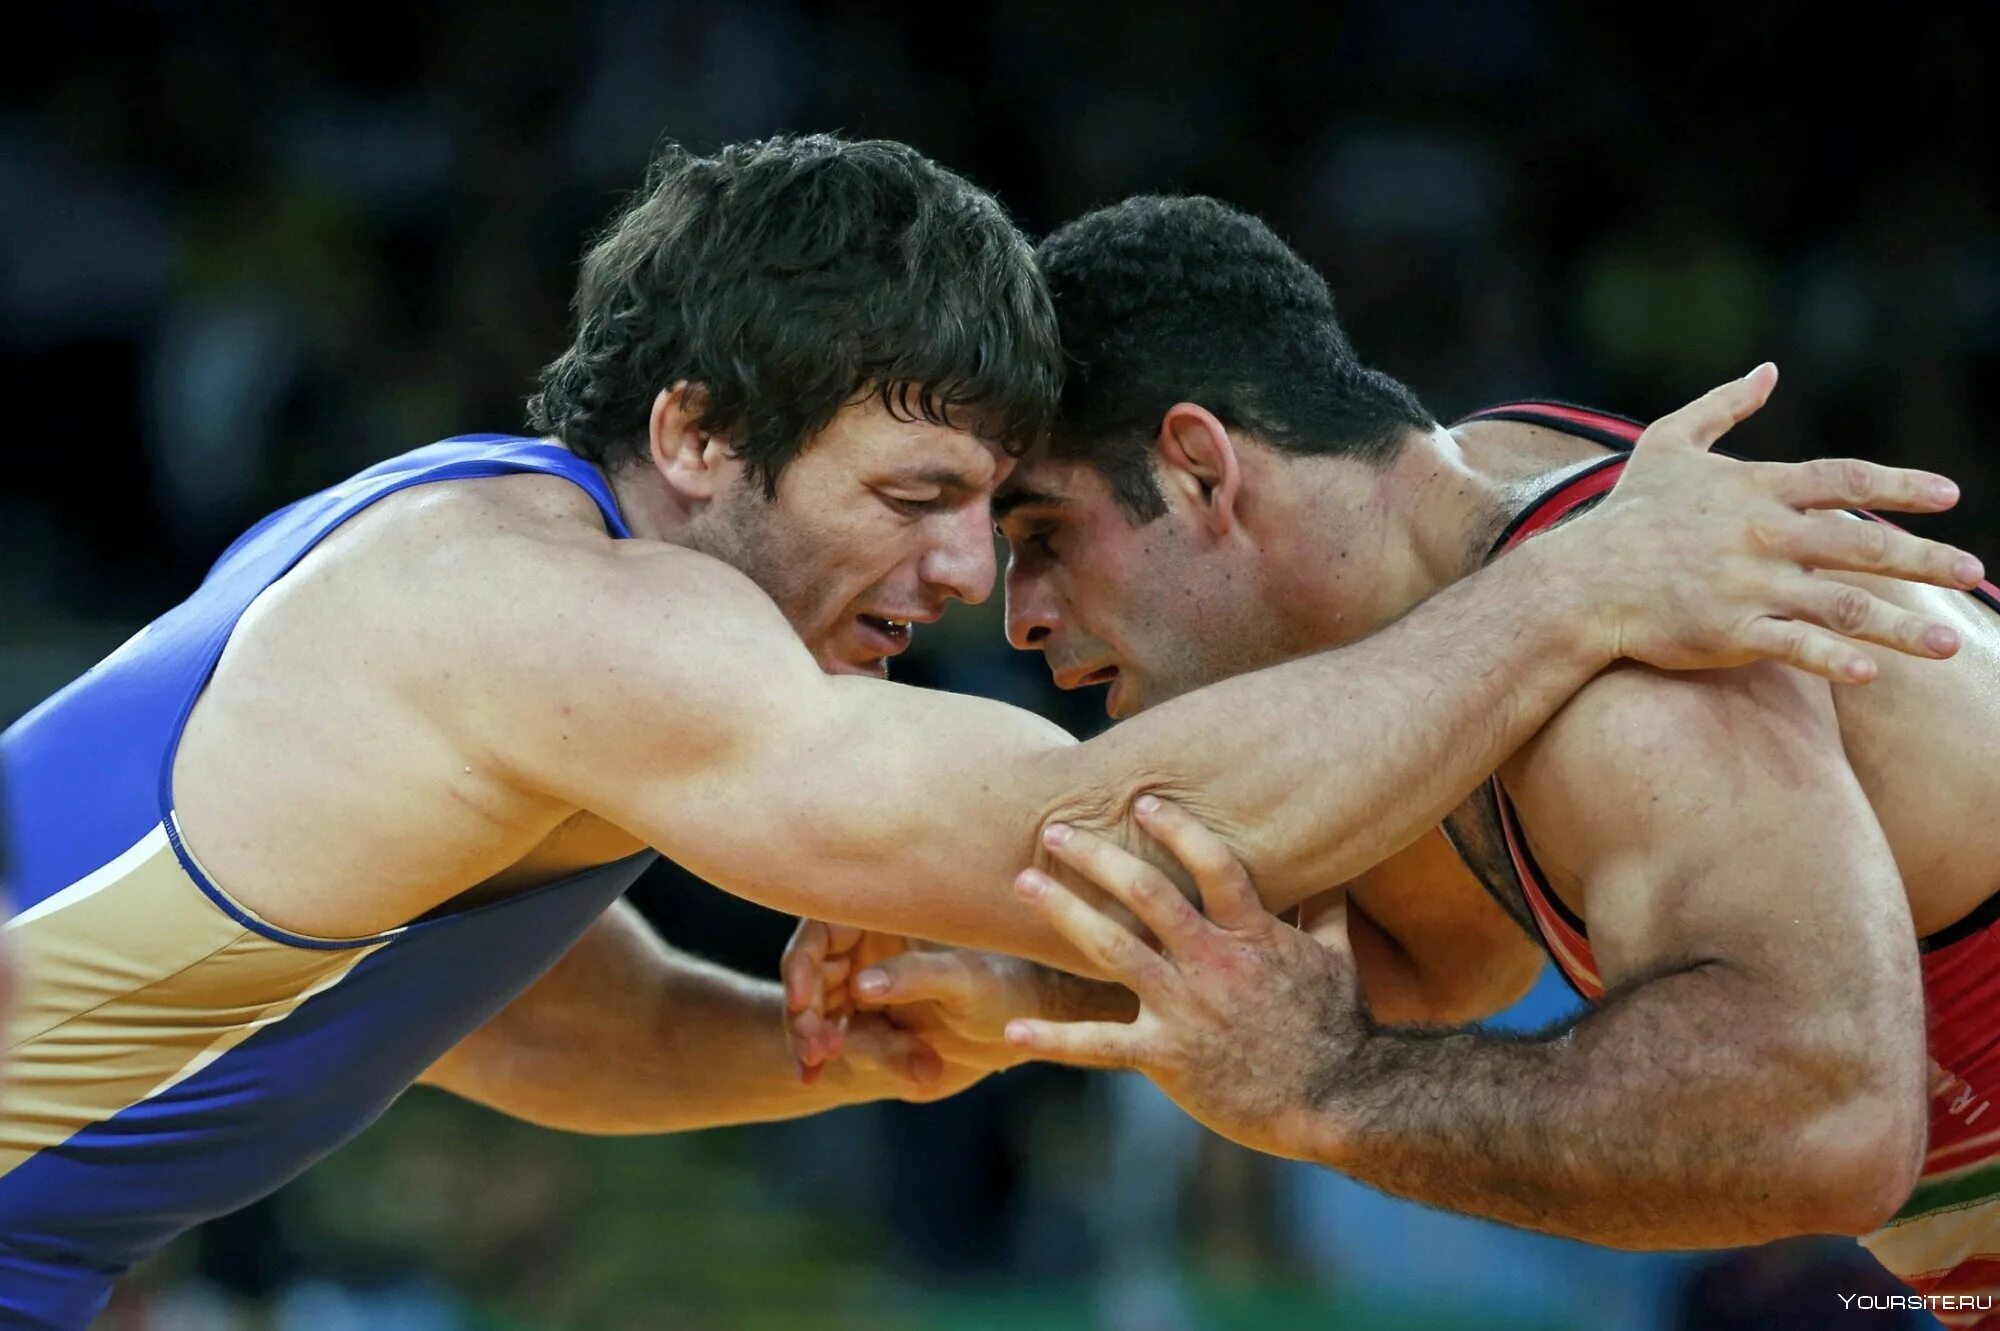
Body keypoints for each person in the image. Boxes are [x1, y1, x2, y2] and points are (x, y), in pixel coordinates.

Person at [0, 141, 1976, 1331]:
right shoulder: (562, 615)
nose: (971, 588)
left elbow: (525, 1016)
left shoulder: (462, 560)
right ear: (698, 436)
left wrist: (867, 1055)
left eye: (1009, 519)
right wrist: (1561, 603)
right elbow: (1064, 827)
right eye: (930, 496)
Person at [792, 195, 2000, 1323]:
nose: (1017, 617)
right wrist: (1022, 985)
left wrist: (1328, 1087)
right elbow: (1424, 955)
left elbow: (1826, 1116)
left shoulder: (1634, 649)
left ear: (1199, 467)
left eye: (1041, 534)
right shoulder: (1467, 574)